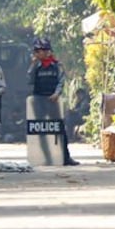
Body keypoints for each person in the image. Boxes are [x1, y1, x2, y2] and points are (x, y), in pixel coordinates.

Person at [28, 38, 79, 166]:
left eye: (41, 51)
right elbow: (30, 80)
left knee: (59, 129)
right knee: (40, 131)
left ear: (48, 51)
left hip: (53, 101)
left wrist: (56, 94)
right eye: (37, 51)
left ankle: (66, 157)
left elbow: (61, 81)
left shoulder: (56, 65)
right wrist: (33, 65)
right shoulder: (36, 66)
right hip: (38, 101)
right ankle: (46, 157)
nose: (39, 54)